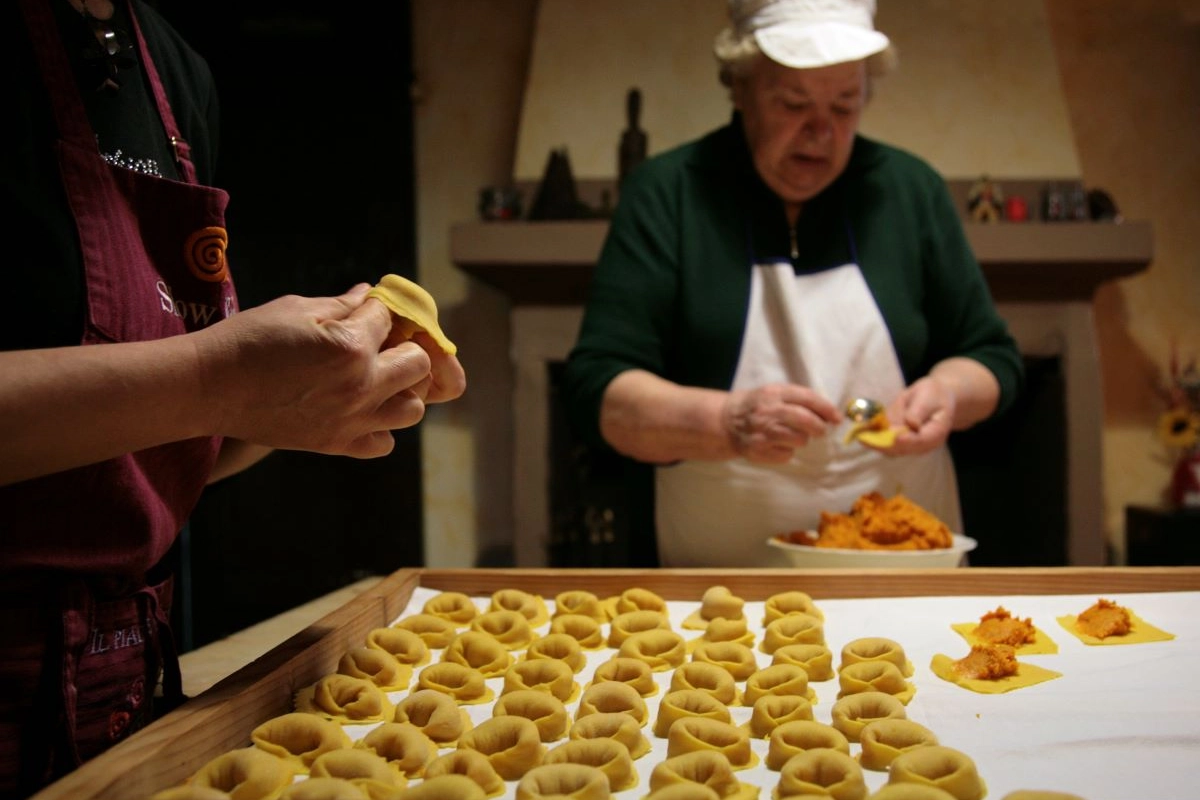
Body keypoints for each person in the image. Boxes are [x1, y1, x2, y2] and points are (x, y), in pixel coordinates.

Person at [1, 0, 465, 795]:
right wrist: (218, 381)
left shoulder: (172, 71)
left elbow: (153, 447)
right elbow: (194, 386)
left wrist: (292, 403)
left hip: (128, 701)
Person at [562, 0, 1024, 568]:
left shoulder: (909, 191)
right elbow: (596, 388)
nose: (822, 132)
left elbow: (993, 357)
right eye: (793, 103)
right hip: (723, 577)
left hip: (904, 563)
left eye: (845, 105)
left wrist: (949, 393)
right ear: (739, 86)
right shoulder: (669, 194)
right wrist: (728, 423)